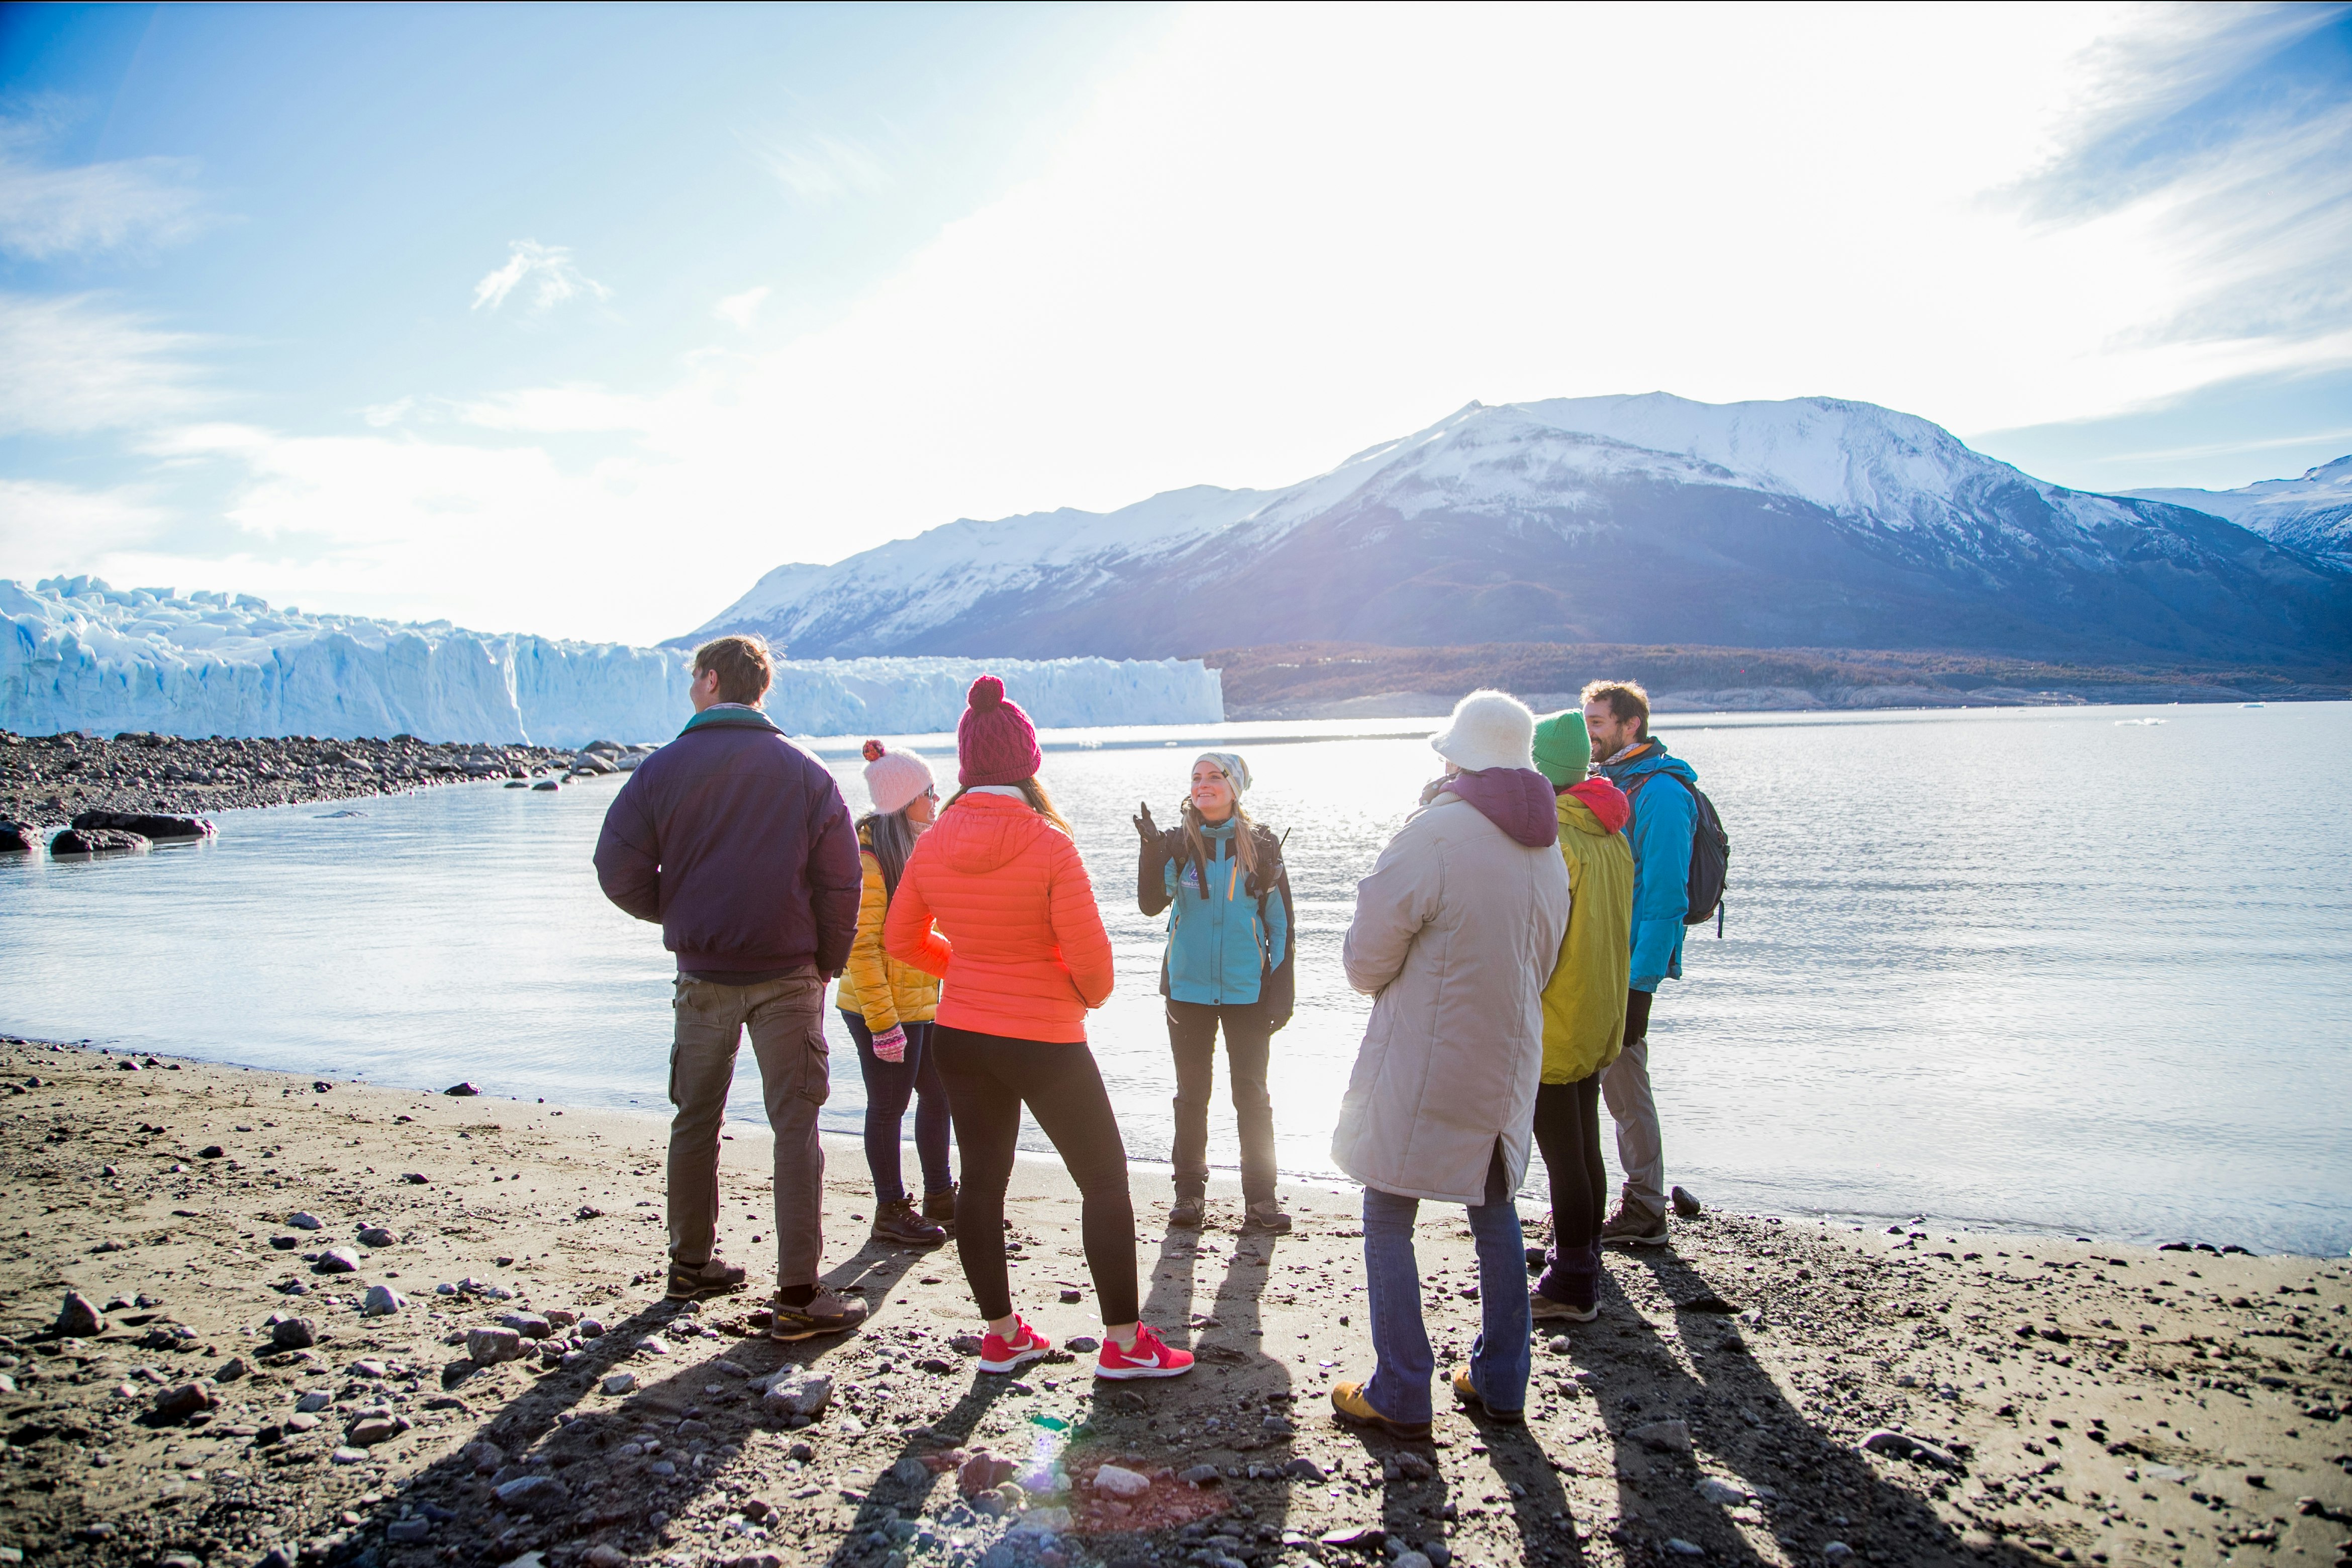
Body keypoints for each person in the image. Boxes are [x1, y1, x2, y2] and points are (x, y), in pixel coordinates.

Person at [885, 675, 1195, 1381]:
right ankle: (1122, 1343)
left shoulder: (932, 843)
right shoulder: (1050, 844)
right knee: (1104, 1182)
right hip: (1045, 1039)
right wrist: (1068, 992)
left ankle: (1001, 1336)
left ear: (967, 766)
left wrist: (964, 966)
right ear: (1028, 762)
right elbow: (1096, 970)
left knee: (981, 1184)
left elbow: (902, 939)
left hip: (961, 1035)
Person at [592, 633, 870, 1340]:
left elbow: (615, 864)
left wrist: (684, 913)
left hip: (703, 975)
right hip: (787, 975)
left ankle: (689, 1263)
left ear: (713, 681)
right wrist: (828, 961)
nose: (690, 689)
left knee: (695, 1118)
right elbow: (842, 881)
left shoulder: (662, 771)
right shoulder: (804, 772)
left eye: (694, 678)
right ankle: (800, 1296)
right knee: (795, 1125)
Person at [1328, 690, 1571, 1438]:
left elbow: (1367, 961)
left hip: (1427, 1057)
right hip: (1508, 1057)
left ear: (1457, 757)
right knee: (1493, 1208)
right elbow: (1548, 959)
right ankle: (1502, 1380)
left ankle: (1402, 1386)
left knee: (1388, 1209)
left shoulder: (1434, 833)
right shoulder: (1547, 844)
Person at [1134, 750, 1295, 1234]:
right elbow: (1149, 905)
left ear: (1235, 787)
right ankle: (1189, 1196)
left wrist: (1281, 991)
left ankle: (1261, 1200)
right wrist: (1151, 851)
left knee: (1252, 1095)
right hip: (1187, 990)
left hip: (1248, 991)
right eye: (1196, 777)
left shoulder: (1263, 847)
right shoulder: (1179, 844)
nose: (1203, 784)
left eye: (1215, 777)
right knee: (1192, 1094)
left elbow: (1282, 925)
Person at [1583, 678, 1700, 1247]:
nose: (1590, 733)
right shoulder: (1610, 784)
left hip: (1627, 970)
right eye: (1587, 722)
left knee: (1626, 1086)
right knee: (1600, 1086)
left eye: (1598, 722)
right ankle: (1601, 1206)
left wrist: (1641, 984)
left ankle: (1647, 1207)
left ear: (1632, 725)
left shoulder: (1663, 793)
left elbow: (1666, 898)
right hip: (1596, 963)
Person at [1527, 707, 1634, 1320]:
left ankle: (1572, 1284)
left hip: (1557, 1015)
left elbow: (1539, 938)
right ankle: (1584, 1252)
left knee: (1563, 1152)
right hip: (1598, 1011)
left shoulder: (1555, 840)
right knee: (1585, 1141)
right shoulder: (1608, 829)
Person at [835, 739, 957, 1247]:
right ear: (905, 798)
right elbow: (859, 950)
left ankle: (940, 1198)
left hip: (920, 999)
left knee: (938, 1094)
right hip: (876, 1005)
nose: (936, 800)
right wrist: (884, 1023)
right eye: (929, 791)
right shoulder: (867, 858)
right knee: (889, 1104)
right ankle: (890, 1208)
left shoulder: (916, 847)